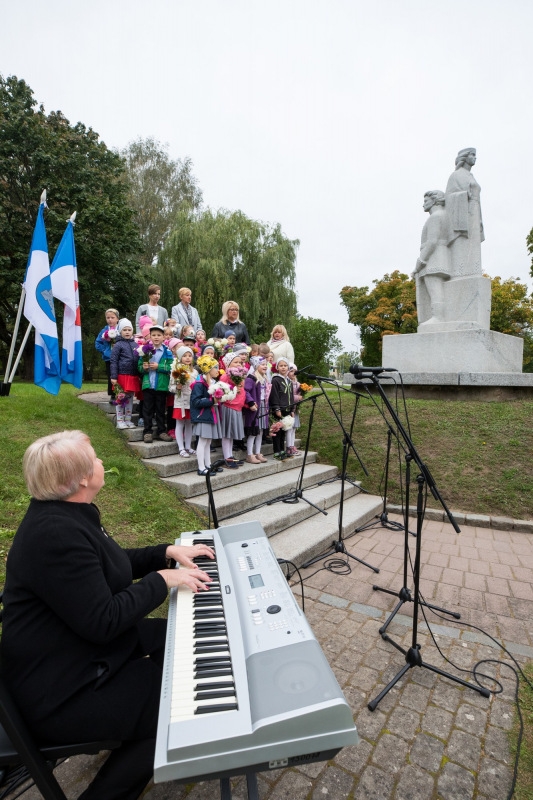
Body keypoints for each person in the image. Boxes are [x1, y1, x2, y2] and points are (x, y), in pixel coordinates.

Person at [0, 430, 214, 800]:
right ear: (82, 477)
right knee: (174, 707)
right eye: (96, 458)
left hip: (73, 650)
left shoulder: (69, 513)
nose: (102, 463)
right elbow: (103, 621)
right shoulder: (55, 533)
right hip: (59, 690)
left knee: (179, 636)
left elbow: (109, 563)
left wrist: (165, 552)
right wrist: (162, 580)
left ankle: (135, 718)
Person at [445, 147, 484, 278]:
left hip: (474, 211)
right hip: (463, 212)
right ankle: (460, 272)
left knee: (474, 244)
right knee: (463, 242)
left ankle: (474, 270)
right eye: (472, 155)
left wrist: (479, 217)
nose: (475, 157)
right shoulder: (456, 175)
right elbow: (449, 198)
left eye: (475, 155)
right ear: (465, 157)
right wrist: (464, 196)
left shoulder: (471, 176)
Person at [413, 190, 451, 325]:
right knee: (437, 288)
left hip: (433, 258)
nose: (423, 204)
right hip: (442, 255)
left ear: (434, 201)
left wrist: (421, 262)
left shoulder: (435, 217)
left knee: (434, 289)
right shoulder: (446, 216)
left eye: (426, 201)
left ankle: (438, 317)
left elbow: (432, 241)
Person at [138, 325, 173, 444]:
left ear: (164, 337)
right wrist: (144, 368)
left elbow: (171, 367)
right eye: (154, 335)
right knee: (147, 409)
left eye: (159, 335)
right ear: (150, 337)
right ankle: (147, 432)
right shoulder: (145, 350)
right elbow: (139, 367)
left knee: (160, 409)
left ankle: (161, 430)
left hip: (161, 385)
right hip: (148, 385)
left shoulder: (167, 352)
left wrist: (159, 367)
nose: (156, 337)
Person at [190, 356, 224, 476]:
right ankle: (201, 467)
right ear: (208, 369)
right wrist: (212, 400)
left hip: (210, 415)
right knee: (202, 442)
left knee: (208, 442)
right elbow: (196, 402)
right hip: (202, 416)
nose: (218, 370)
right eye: (215, 368)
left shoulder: (212, 383)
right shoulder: (199, 384)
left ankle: (208, 466)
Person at [110, 319, 142, 429]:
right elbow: (113, 361)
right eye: (125, 330)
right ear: (120, 331)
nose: (127, 332)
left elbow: (139, 359)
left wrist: (140, 374)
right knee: (121, 397)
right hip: (121, 375)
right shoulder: (118, 345)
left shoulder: (135, 344)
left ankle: (128, 419)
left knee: (129, 397)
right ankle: (120, 420)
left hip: (132, 375)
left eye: (129, 330)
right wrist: (113, 376)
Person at [169, 345, 198, 457]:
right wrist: (177, 387)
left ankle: (188, 446)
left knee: (189, 424)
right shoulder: (176, 371)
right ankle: (181, 448)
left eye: (189, 355)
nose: (187, 358)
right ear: (180, 357)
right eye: (184, 356)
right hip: (180, 401)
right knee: (180, 423)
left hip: (191, 400)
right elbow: (170, 387)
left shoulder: (194, 372)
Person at [219, 352, 247, 469]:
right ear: (228, 364)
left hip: (237, 407)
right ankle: (227, 457)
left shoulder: (239, 376)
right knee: (227, 433)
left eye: (240, 362)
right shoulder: (225, 376)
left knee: (231, 434)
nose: (238, 364)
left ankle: (230, 455)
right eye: (235, 362)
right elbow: (222, 392)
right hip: (229, 406)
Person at [242, 357, 269, 463]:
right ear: (256, 366)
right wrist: (251, 402)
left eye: (266, 364)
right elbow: (246, 391)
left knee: (260, 431)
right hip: (254, 407)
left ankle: (257, 452)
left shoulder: (264, 378)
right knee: (253, 431)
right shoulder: (251, 378)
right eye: (262, 364)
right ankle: (249, 454)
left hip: (263, 406)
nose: (265, 366)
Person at [269, 357, 295, 460]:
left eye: (285, 366)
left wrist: (292, 409)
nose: (283, 368)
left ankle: (282, 450)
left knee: (284, 430)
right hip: (279, 409)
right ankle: (277, 451)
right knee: (277, 430)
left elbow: (291, 395)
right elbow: (274, 395)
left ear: (288, 367)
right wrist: (276, 408)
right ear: (277, 367)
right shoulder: (276, 380)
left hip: (287, 409)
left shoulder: (289, 380)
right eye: (281, 366)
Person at [95, 308, 120, 400]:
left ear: (117, 318)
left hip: (121, 357)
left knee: (120, 375)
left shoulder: (121, 329)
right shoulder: (104, 331)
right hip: (109, 357)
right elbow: (97, 343)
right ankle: (113, 394)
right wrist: (105, 351)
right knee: (111, 375)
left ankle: (121, 393)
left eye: (112, 317)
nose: (110, 320)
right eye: (108, 317)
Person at [286, 363, 301, 455]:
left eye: (295, 371)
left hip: (295, 408)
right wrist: (297, 398)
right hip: (289, 408)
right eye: (291, 371)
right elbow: (289, 396)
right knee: (289, 428)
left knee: (294, 428)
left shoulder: (298, 383)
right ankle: (288, 447)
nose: (293, 373)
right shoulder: (287, 382)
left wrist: (299, 404)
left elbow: (299, 395)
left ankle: (292, 445)